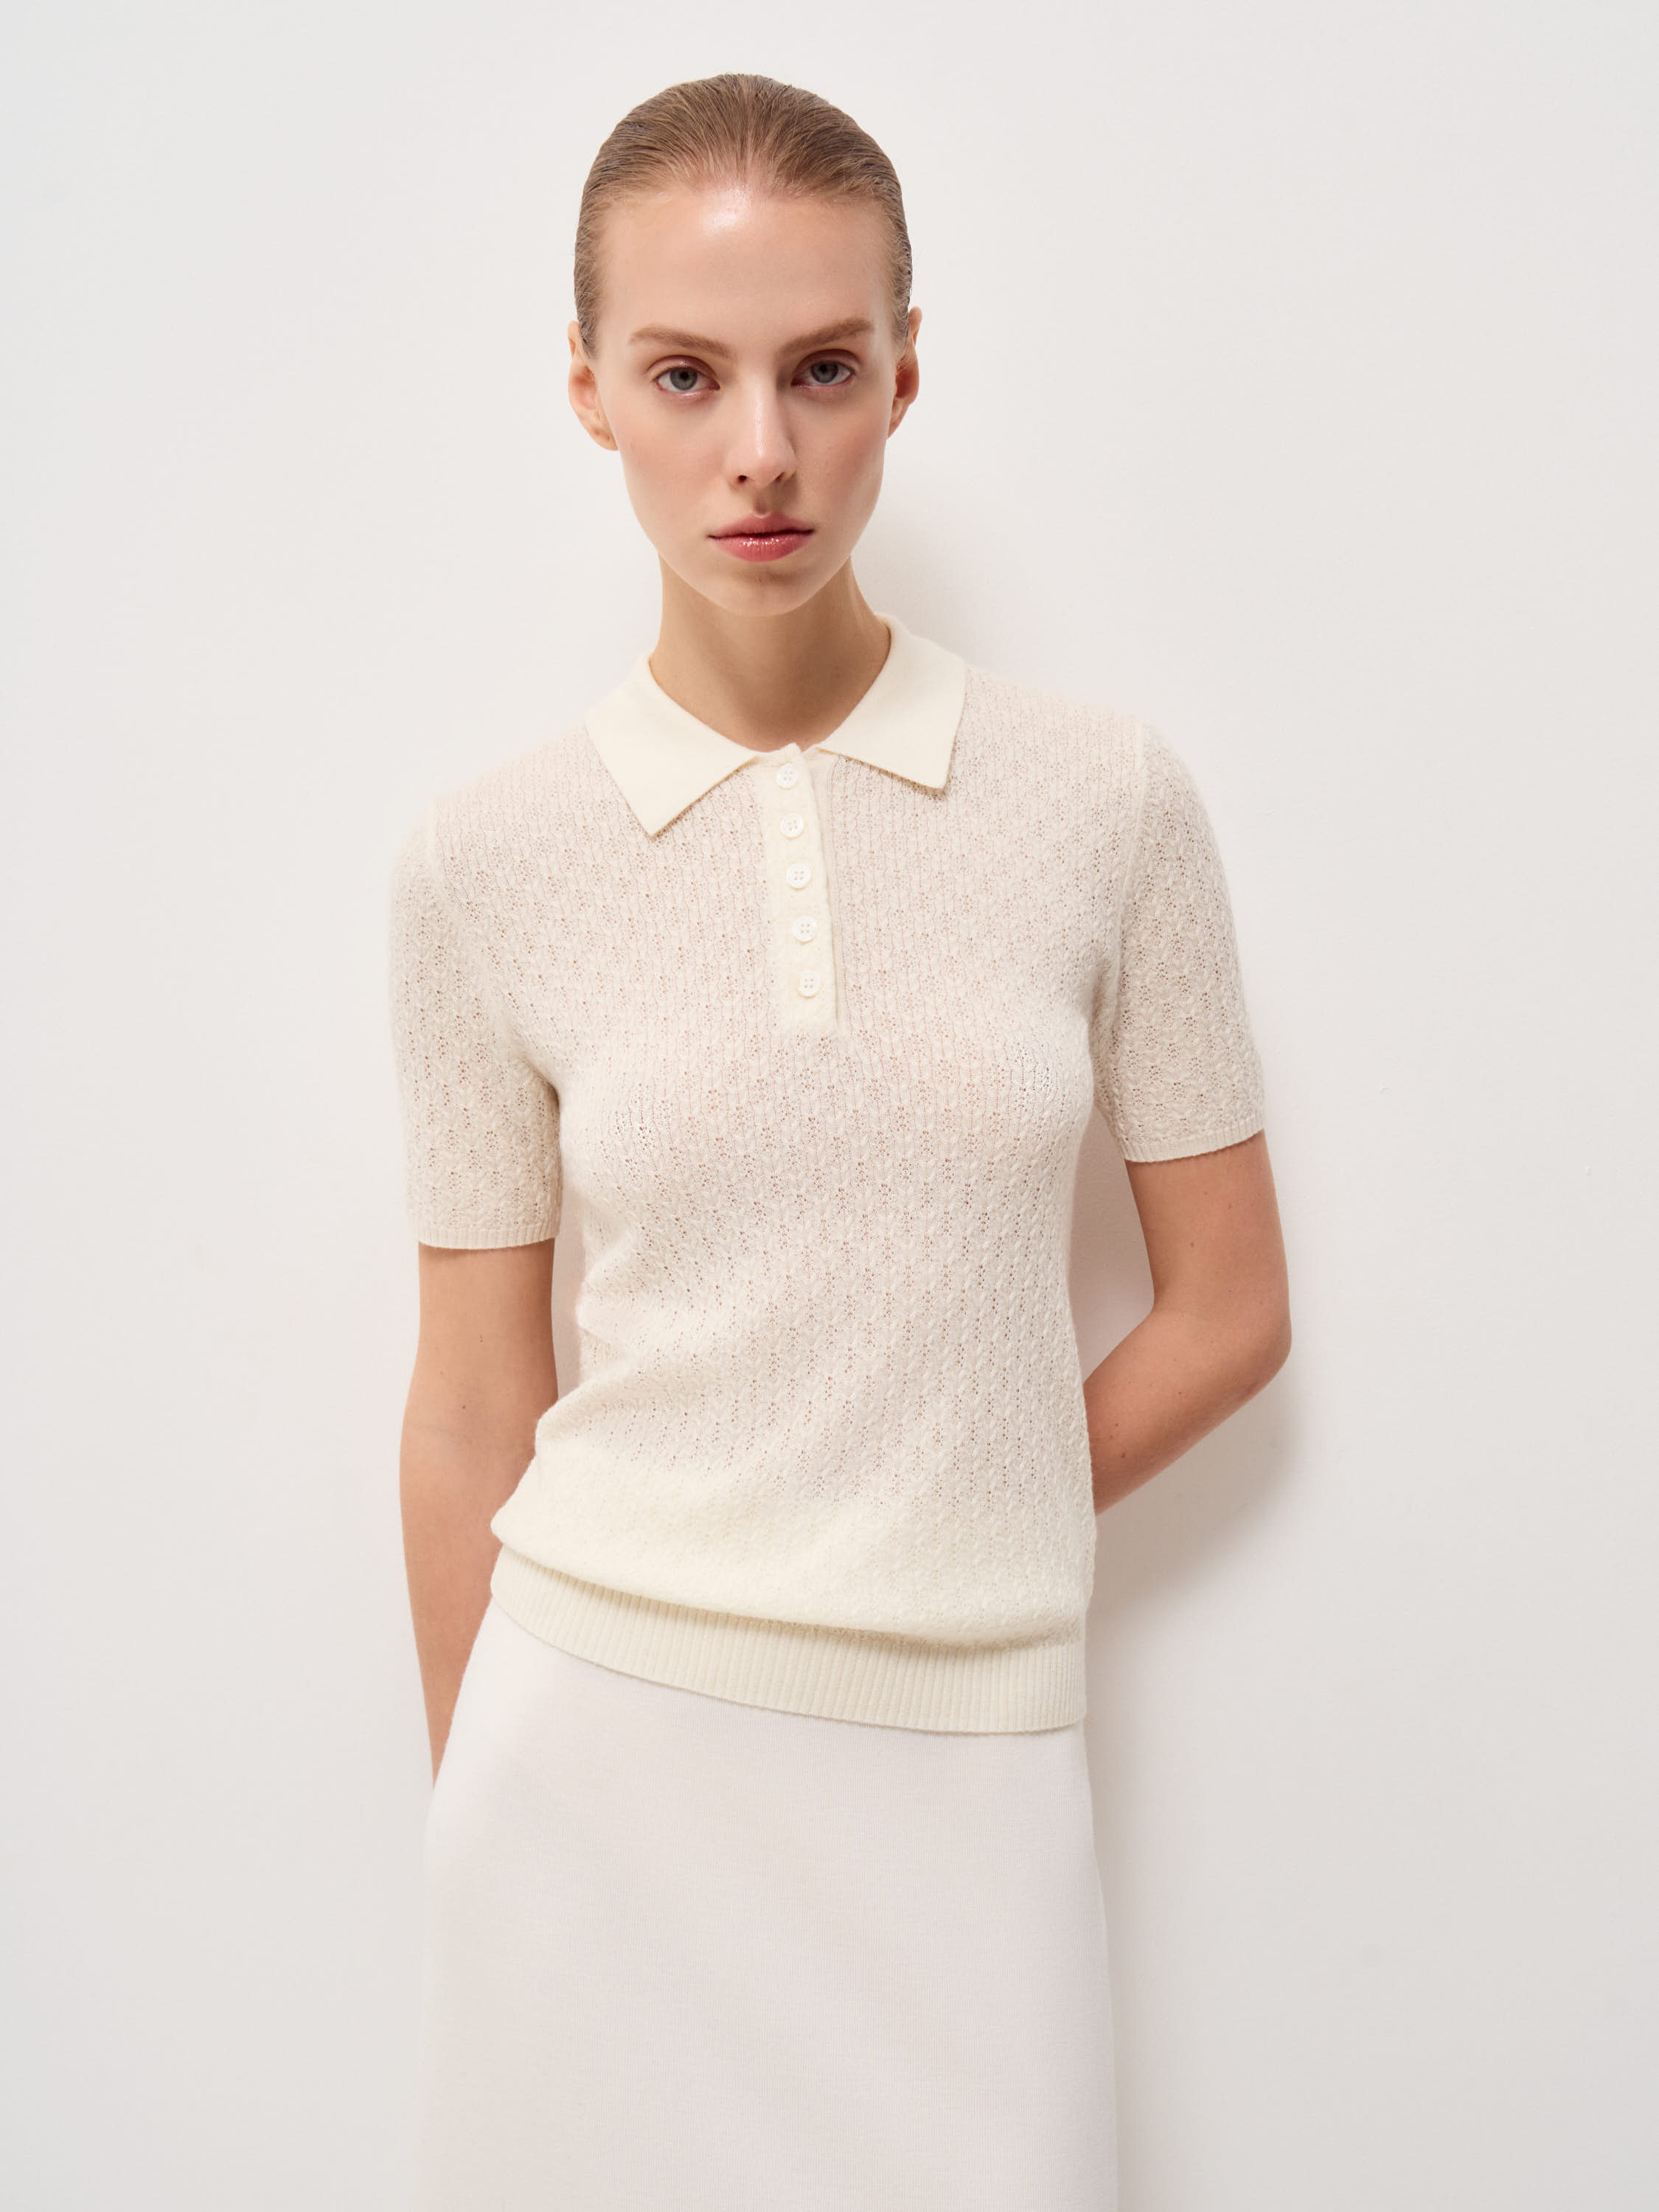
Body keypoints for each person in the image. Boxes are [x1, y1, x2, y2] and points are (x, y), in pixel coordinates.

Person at [388, 70, 1290, 2212]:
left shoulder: (1108, 802)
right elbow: (471, 1407)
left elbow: (1231, 1312)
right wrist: (467, 1818)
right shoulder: (481, 865)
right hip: (593, 1758)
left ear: (902, 372)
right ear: (590, 390)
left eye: (818, 368)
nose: (761, 452)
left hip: (971, 1749)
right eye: (684, 376)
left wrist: (935, 1491)